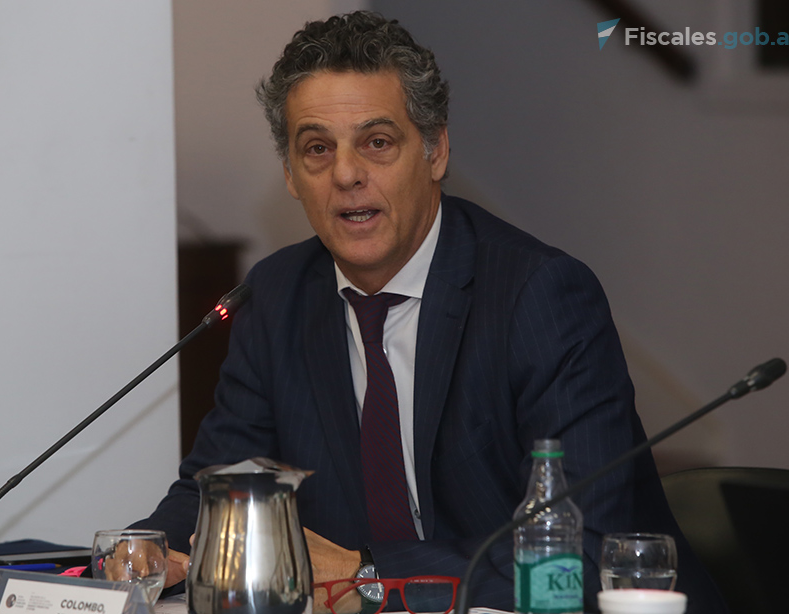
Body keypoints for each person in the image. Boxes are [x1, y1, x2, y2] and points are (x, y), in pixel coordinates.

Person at [135, 11, 727, 614]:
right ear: (290, 173)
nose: (346, 174)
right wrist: (141, 555)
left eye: (377, 142)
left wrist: (367, 576)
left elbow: (580, 550)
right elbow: (218, 488)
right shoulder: (276, 295)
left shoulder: (540, 296)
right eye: (317, 149)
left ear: (435, 151)